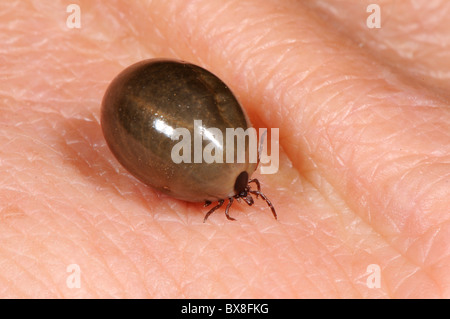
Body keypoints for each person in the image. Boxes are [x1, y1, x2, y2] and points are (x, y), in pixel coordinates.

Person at [1, 0, 448, 298]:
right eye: (247, 191)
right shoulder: (234, 160)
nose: (247, 194)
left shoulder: (235, 164)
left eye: (246, 191)